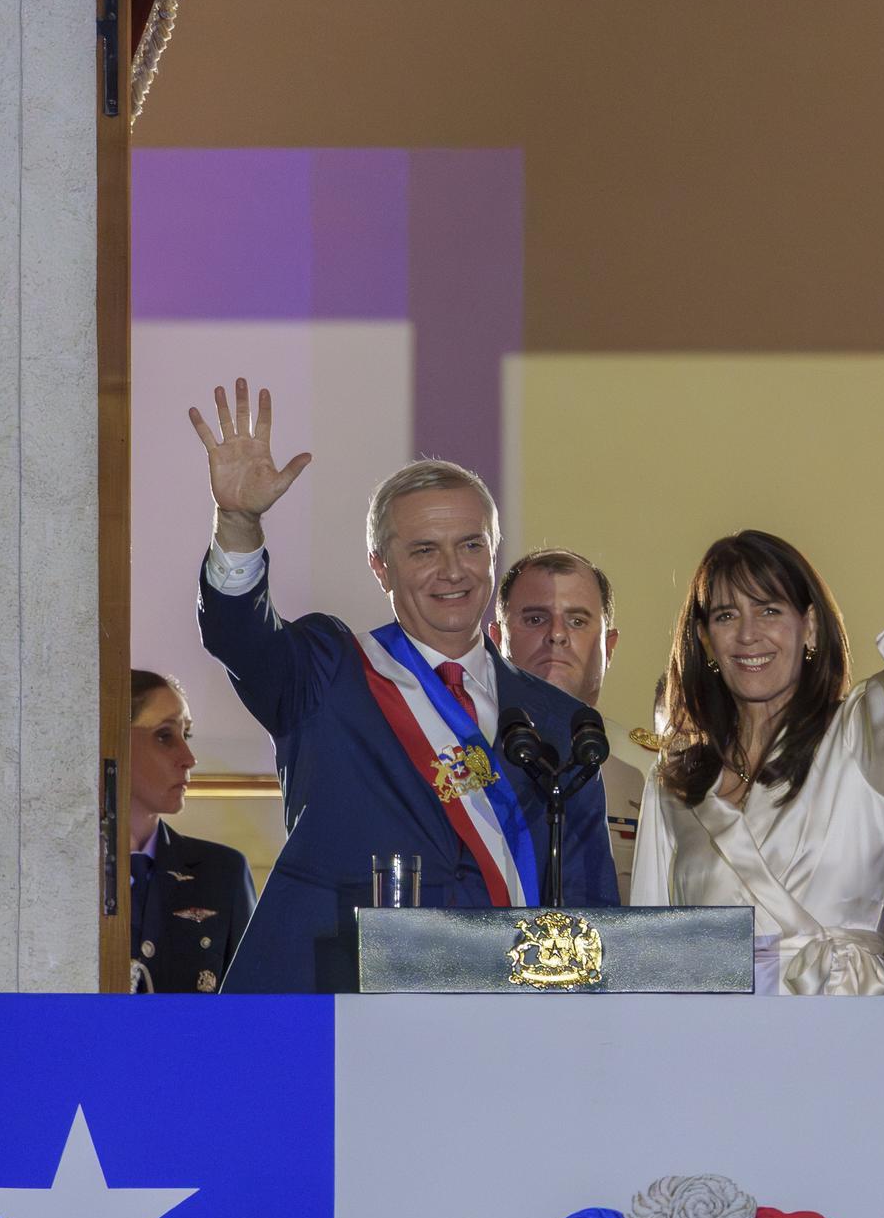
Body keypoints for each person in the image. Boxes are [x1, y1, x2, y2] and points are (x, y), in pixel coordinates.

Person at [189, 378, 619, 994]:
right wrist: (237, 522)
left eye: (471, 546)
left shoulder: (558, 721)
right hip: (341, 1010)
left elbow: (589, 912)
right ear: (380, 566)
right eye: (424, 550)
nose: (452, 570)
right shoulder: (330, 672)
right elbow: (240, 636)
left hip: (505, 1026)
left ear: (493, 555)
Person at [631, 380, 884, 995]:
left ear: (810, 626)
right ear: (705, 641)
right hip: (714, 1051)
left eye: (769, 610)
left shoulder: (863, 739)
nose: (748, 635)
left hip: (839, 1039)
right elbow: (651, 952)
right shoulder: (675, 784)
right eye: (725, 616)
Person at [494, 548, 647, 901]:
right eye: (535, 619)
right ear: (497, 639)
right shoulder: (463, 755)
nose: (557, 635)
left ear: (609, 647)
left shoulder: (653, 770)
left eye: (577, 621)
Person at [126, 670, 258, 993]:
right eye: (164, 736)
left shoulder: (223, 873)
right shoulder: (59, 873)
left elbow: (253, 1009)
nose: (188, 758)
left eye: (187, 735)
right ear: (113, 737)